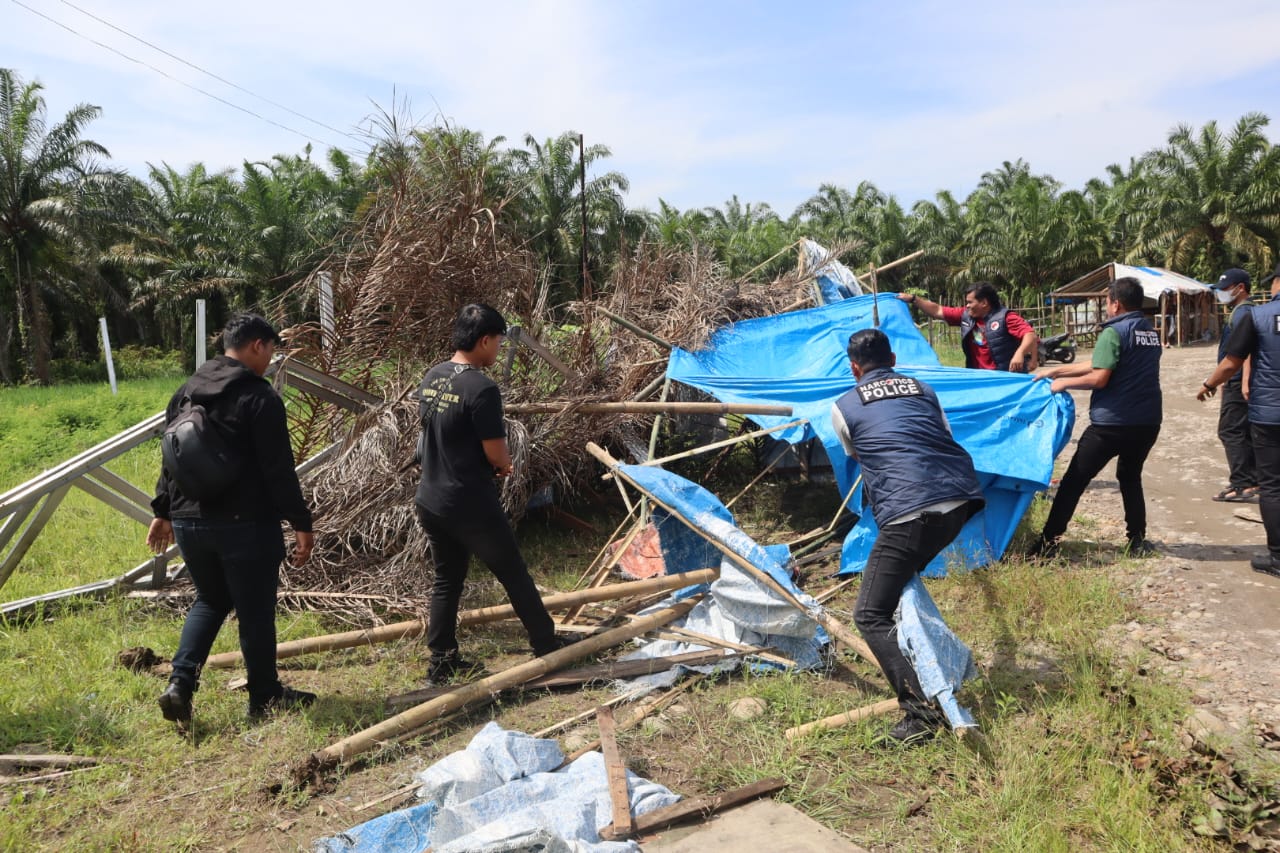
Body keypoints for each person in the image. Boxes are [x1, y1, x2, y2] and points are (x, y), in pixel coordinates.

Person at [147, 313, 316, 724]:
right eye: (271, 350)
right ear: (257, 345)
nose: (270, 360)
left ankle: (180, 683)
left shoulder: (185, 392)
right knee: (255, 609)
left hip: (189, 521)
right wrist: (301, 522)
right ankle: (264, 696)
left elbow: (172, 456)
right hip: (245, 524)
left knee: (210, 598)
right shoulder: (258, 397)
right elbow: (278, 470)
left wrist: (163, 510)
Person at [831, 328, 985, 744]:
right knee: (900, 586)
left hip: (910, 513)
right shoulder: (924, 390)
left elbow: (862, 454)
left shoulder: (844, 406)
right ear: (894, 359)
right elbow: (941, 438)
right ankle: (929, 662)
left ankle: (920, 714)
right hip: (959, 502)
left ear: (853, 368)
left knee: (868, 614)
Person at [415, 304, 567, 684]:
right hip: (469, 502)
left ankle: (442, 661)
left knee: (447, 579)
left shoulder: (433, 377)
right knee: (513, 572)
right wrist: (503, 466)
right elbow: (495, 451)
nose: (498, 349)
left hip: (431, 498)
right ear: (484, 340)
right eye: (497, 341)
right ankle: (546, 645)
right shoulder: (481, 387)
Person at [1029, 277, 1162, 558]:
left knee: (1073, 482)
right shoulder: (1149, 331)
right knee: (1130, 478)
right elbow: (1100, 361)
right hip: (1148, 421)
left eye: (1108, 302)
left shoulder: (1113, 332)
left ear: (1116, 304)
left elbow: (1100, 376)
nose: (1107, 307)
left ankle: (1047, 544)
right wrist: (1056, 371)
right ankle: (1137, 541)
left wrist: (1063, 384)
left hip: (1112, 424)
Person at [1198, 261, 1280, 580]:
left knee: (1273, 487)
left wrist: (1208, 385)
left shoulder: (1256, 315)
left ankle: (1276, 557)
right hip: (1263, 404)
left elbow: (1236, 359)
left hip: (1269, 411)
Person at [898, 282, 1039, 372]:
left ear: (984, 302)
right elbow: (937, 310)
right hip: (977, 376)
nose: (967, 305)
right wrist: (913, 299)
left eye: (970, 302)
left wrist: (1020, 354)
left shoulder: (1005, 317)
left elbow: (1029, 334)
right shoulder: (966, 316)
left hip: (1003, 377)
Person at [1208, 268, 1258, 503]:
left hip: (1238, 380)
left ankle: (1243, 483)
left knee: (1230, 430)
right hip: (1238, 379)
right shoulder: (1243, 311)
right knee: (1244, 431)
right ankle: (1250, 480)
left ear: (1240, 288)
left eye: (1225, 289)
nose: (1222, 293)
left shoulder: (1242, 313)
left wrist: (1242, 381)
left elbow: (1245, 351)